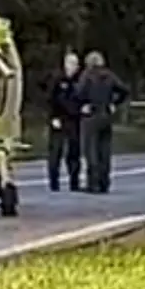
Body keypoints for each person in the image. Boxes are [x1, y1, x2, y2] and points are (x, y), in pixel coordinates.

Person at [76, 51, 129, 193]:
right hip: (106, 114)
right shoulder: (109, 75)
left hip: (92, 114)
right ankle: (104, 181)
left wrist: (83, 105)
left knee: (90, 150)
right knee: (104, 150)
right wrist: (114, 103)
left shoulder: (87, 75)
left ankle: (93, 183)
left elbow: (79, 93)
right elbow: (124, 90)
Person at [46, 51, 83, 191]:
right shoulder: (57, 79)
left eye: (76, 64)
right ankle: (53, 182)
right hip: (59, 119)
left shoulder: (79, 81)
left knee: (74, 151)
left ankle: (75, 181)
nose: (74, 67)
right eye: (71, 63)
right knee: (56, 151)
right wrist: (53, 117)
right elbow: (50, 99)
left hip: (74, 119)